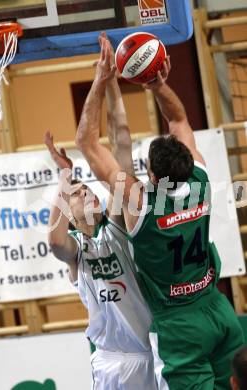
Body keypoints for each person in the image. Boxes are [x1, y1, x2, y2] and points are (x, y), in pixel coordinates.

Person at [75, 34, 244, 389]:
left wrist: (102, 80)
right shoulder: (200, 176)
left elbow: (87, 143)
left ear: (151, 176)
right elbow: (179, 120)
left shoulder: (139, 203)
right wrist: (158, 84)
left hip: (179, 326)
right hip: (218, 309)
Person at [45, 51, 157, 389]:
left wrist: (111, 84)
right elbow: (53, 241)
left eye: (86, 188)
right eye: (76, 196)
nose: (87, 193)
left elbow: (121, 145)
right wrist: (65, 177)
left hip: (147, 353)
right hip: (109, 360)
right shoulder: (76, 252)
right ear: (70, 213)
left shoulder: (117, 225)